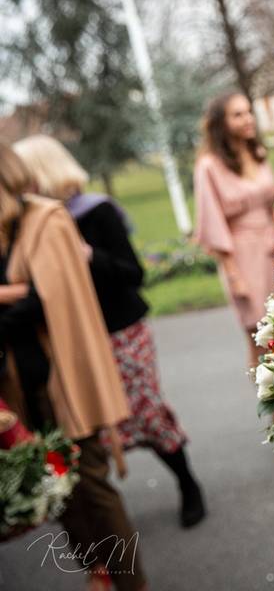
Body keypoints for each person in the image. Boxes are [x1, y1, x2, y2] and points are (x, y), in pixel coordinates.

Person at [14, 134, 206, 529]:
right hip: (76, 340)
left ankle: (188, 484)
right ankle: (105, 519)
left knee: (145, 414)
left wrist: (89, 256)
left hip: (121, 331)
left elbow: (133, 274)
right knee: (95, 423)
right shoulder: (29, 228)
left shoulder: (94, 213)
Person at [0, 145, 147, 591]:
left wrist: (11, 298)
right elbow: (23, 299)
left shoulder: (46, 221)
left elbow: (45, 303)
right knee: (55, 486)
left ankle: (131, 583)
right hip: (20, 383)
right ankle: (95, 569)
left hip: (62, 376)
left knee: (91, 484)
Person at [193, 91, 274, 368]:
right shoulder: (209, 166)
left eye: (248, 112)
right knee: (258, 334)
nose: (247, 119)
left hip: (273, 247)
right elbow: (213, 221)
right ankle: (270, 405)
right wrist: (234, 276)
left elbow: (256, 200)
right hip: (242, 256)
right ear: (222, 123)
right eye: (238, 114)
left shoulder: (257, 153)